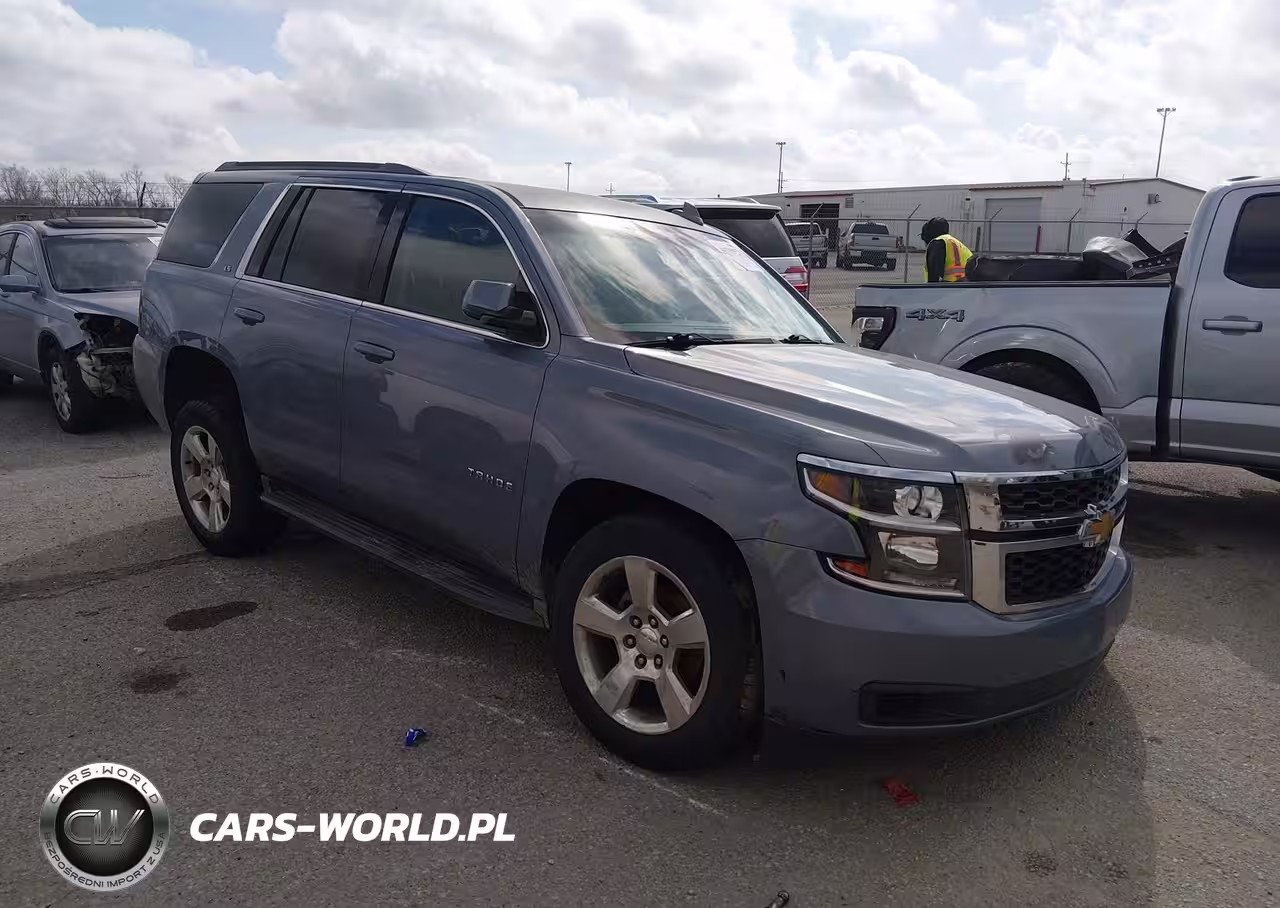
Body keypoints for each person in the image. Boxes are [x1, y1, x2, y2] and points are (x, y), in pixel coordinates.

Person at [921, 217, 972, 282]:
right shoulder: (959, 245)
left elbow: (933, 273)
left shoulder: (937, 243)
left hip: (948, 287)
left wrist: (931, 289)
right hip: (968, 286)